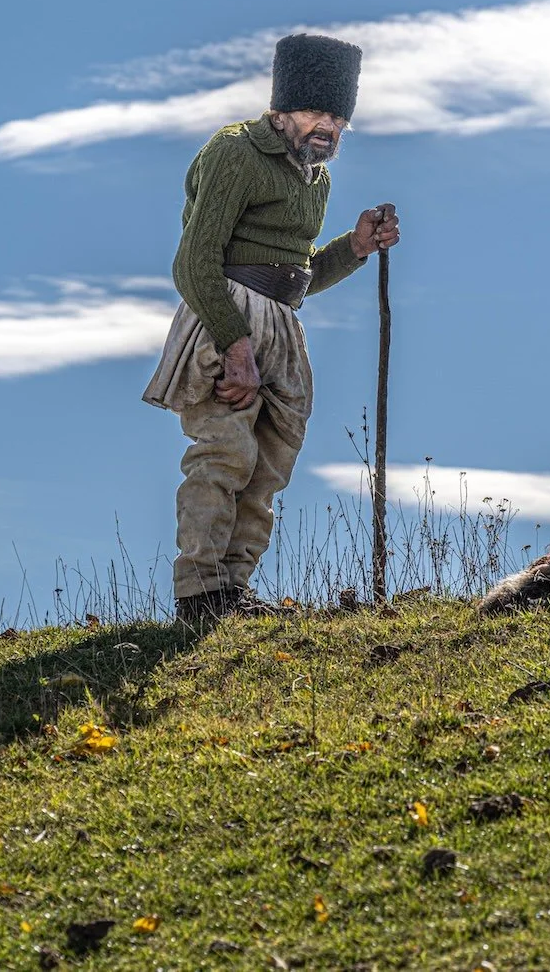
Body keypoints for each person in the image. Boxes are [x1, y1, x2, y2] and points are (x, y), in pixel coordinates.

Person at [143, 33, 400, 625]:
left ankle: (231, 593)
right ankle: (199, 594)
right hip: (223, 314)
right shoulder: (235, 153)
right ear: (283, 108)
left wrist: (356, 247)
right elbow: (195, 261)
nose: (327, 127)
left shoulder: (318, 177)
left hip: (283, 325)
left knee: (268, 465)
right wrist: (235, 348)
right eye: (316, 112)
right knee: (224, 452)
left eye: (338, 117)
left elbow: (300, 275)